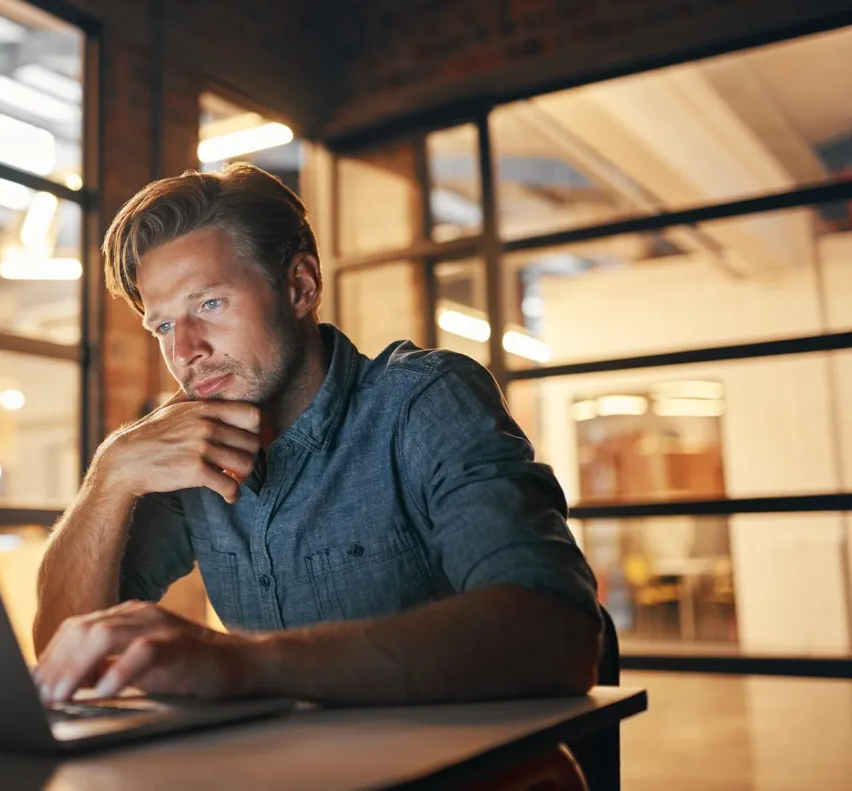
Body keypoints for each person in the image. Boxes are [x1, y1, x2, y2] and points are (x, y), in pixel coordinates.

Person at [32, 162, 600, 707]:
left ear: (300, 287)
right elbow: (64, 651)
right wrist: (109, 476)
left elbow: (558, 634)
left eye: (209, 303)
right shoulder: (185, 444)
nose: (185, 351)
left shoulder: (422, 402)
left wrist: (244, 664)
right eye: (163, 326)